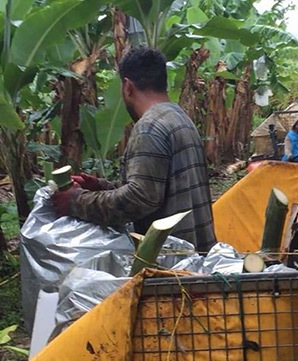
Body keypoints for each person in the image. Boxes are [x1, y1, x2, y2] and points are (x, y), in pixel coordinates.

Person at [51, 47, 216, 253]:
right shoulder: (179, 117)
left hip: (172, 260)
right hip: (197, 253)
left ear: (127, 87)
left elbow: (139, 200)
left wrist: (76, 201)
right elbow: (156, 188)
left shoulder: (150, 126)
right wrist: (101, 186)